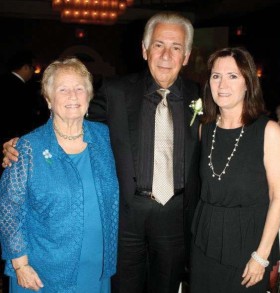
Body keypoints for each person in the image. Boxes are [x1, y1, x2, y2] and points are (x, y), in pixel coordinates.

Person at [2, 12, 201, 293]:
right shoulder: (117, 91)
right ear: (145, 50)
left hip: (174, 217)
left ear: (187, 55)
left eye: (176, 47)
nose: (166, 54)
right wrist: (19, 146)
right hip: (126, 221)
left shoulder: (202, 96)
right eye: (158, 45)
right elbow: (71, 117)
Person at [0, 57, 119, 292]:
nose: (73, 96)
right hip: (41, 272)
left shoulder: (105, 138)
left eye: (79, 88)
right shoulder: (27, 148)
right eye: (63, 89)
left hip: (96, 267)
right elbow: (9, 210)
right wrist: (20, 264)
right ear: (48, 99)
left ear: (89, 96)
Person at [190, 47, 280, 292]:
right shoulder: (206, 129)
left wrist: (261, 256)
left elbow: (278, 198)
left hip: (248, 246)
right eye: (216, 76)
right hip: (205, 240)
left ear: (248, 83)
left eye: (232, 76)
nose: (222, 84)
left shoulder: (269, 132)